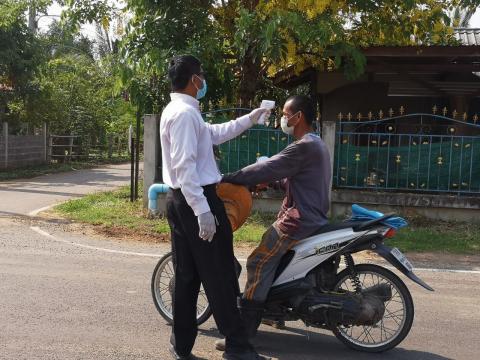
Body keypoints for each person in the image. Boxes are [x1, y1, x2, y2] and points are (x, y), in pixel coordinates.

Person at [160, 54, 270, 360]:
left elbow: (215, 134)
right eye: (202, 75)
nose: (204, 79)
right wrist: (203, 211)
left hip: (183, 200)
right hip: (196, 199)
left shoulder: (184, 112)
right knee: (220, 273)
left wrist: (250, 118)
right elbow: (185, 167)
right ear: (194, 79)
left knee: (188, 275)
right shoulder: (183, 114)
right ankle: (237, 347)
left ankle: (181, 345)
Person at [218, 95, 332, 349]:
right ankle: (274, 310)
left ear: (298, 117)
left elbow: (268, 167)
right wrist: (268, 183)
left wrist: (230, 178)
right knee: (274, 263)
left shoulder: (303, 146)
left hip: (297, 222)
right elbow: (290, 179)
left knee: (258, 261)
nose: (282, 119)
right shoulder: (316, 145)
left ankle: (242, 335)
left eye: (285, 113)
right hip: (314, 217)